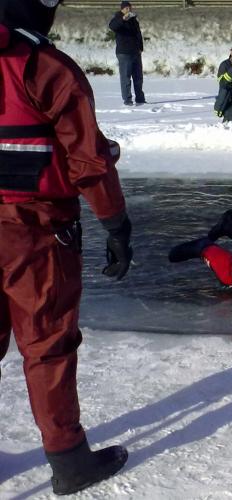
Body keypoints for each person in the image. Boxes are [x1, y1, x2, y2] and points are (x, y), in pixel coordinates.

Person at [0, 0, 133, 494]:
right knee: (48, 346)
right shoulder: (45, 67)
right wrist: (115, 224)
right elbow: (89, 160)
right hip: (34, 230)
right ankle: (69, 461)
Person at [108, 1, 145, 106]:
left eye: (129, 8)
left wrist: (140, 47)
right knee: (126, 77)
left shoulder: (134, 20)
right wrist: (123, 19)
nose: (128, 10)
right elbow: (112, 26)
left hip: (136, 52)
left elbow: (138, 34)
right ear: (122, 9)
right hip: (124, 53)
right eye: (126, 8)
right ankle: (127, 100)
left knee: (138, 77)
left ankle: (140, 99)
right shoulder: (117, 18)